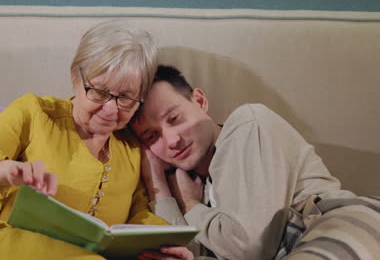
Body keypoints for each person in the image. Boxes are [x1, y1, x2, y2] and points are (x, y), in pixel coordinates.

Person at [0, 21, 190, 260]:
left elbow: (138, 216)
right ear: (75, 77)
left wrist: (160, 247)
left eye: (126, 98)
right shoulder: (34, 113)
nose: (110, 109)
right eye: (99, 92)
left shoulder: (129, 149)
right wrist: (1, 171)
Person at [131, 65, 380, 260]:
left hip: (333, 224)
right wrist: (158, 183)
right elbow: (184, 252)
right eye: (152, 137)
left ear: (199, 101)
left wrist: (191, 205)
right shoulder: (194, 185)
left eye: (174, 118)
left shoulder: (246, 124)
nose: (171, 140)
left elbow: (249, 248)